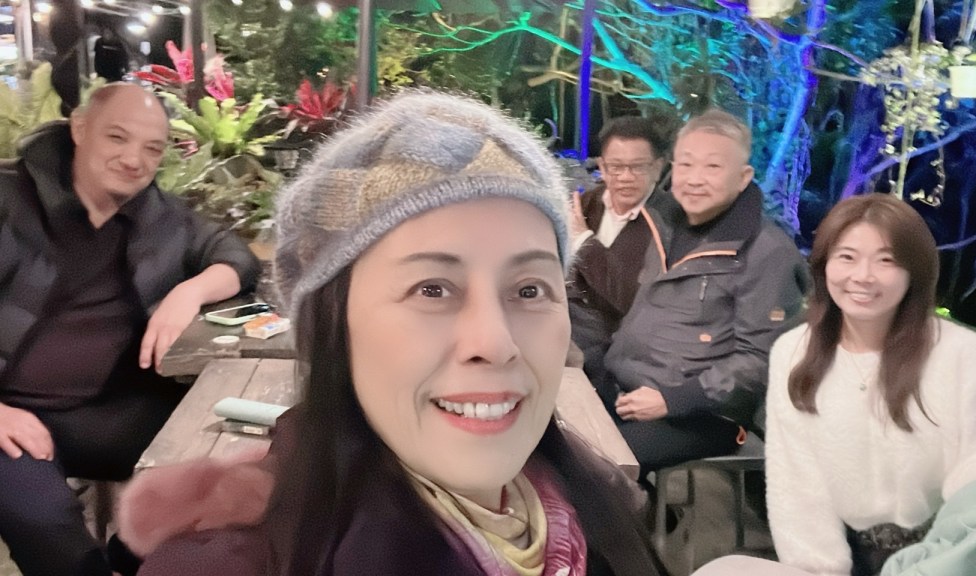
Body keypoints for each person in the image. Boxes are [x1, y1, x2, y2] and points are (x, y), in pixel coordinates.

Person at [113, 91, 667, 575]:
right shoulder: (238, 563)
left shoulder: (600, 515)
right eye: (432, 289)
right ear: (334, 325)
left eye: (528, 290)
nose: (496, 343)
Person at [0, 83, 260, 576]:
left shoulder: (160, 216)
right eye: (117, 138)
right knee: (46, 523)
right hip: (11, 413)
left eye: (152, 149)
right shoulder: (10, 198)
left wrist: (189, 292)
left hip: (118, 405)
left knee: (234, 471)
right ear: (80, 129)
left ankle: (130, 559)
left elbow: (236, 257)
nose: (134, 160)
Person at [765, 193, 976, 575]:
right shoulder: (793, 352)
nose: (863, 276)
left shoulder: (959, 350)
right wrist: (818, 567)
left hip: (947, 550)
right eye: (847, 257)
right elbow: (794, 478)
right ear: (823, 265)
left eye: (885, 260)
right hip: (845, 551)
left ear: (914, 271)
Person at [601, 109, 808, 472]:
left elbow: (761, 359)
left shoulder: (766, 252)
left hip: (703, 414)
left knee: (596, 464)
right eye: (686, 165)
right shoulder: (664, 225)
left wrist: (674, 399)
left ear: (743, 178)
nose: (694, 179)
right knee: (549, 436)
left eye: (712, 167)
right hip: (628, 386)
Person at [568, 116, 669, 389]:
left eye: (637, 167)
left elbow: (635, 301)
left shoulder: (669, 221)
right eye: (616, 167)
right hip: (570, 323)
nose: (625, 177)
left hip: (621, 344)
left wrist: (584, 242)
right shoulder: (587, 203)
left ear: (657, 168)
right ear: (602, 166)